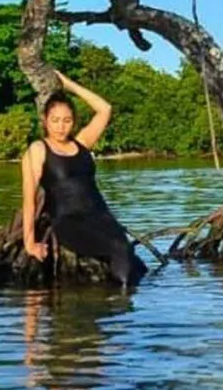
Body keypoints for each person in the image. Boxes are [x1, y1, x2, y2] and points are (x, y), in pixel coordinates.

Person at [21, 70, 148, 288]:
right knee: (118, 249)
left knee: (135, 262)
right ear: (45, 121)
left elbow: (105, 109)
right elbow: (29, 200)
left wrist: (69, 84)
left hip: (100, 216)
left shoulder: (82, 143)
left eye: (67, 120)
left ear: (74, 121)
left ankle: (120, 299)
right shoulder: (38, 149)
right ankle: (122, 302)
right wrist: (29, 243)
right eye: (55, 120)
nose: (61, 126)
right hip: (68, 221)